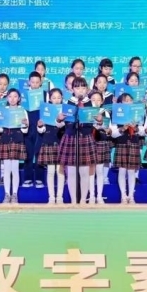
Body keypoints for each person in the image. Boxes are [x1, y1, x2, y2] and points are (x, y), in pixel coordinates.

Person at [58, 77, 95, 205]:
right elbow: (59, 124)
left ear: (87, 89)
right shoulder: (67, 103)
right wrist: (59, 119)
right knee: (72, 172)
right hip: (71, 137)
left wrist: (99, 121)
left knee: (84, 172)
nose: (80, 90)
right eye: (77, 87)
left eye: (83, 88)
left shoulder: (90, 103)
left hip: (85, 137)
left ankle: (83, 200)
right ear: (72, 89)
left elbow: (96, 124)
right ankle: (74, 201)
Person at [0, 88, 29, 204]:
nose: (12, 99)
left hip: (17, 140)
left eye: (15, 96)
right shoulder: (3, 110)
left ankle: (15, 194)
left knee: (15, 169)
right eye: (10, 96)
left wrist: (25, 124)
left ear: (19, 99)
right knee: (7, 169)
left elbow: (25, 130)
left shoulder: (22, 110)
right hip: (6, 140)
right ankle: (7, 194)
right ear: (7, 98)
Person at [110, 93, 144, 204]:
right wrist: (122, 128)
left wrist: (136, 128)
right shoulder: (116, 114)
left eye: (130, 100)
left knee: (131, 171)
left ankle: (131, 196)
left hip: (134, 143)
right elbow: (113, 134)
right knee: (122, 171)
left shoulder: (138, 113)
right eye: (125, 100)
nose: (128, 102)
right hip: (122, 144)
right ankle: (123, 196)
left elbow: (143, 132)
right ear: (120, 103)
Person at [37, 88, 66, 204]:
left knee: (60, 171)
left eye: (59, 97)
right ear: (49, 99)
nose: (56, 100)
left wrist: (60, 120)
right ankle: (51, 197)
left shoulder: (65, 110)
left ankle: (60, 197)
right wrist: (40, 126)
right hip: (48, 142)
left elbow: (63, 125)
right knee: (50, 172)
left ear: (62, 98)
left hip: (61, 143)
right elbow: (41, 130)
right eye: (54, 98)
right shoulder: (45, 110)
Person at [22, 72, 47, 189]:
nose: (35, 84)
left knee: (39, 153)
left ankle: (39, 178)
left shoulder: (45, 94)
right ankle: (27, 178)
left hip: (40, 126)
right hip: (28, 127)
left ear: (41, 82)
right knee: (28, 153)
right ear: (29, 82)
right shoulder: (24, 95)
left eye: (37, 82)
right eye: (33, 82)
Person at [88, 90, 111, 204]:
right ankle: (91, 196)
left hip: (101, 142)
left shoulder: (105, 112)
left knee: (100, 171)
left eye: (98, 100)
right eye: (93, 100)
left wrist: (107, 129)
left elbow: (109, 128)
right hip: (89, 142)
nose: (96, 102)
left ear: (102, 101)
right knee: (91, 172)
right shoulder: (87, 112)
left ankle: (99, 196)